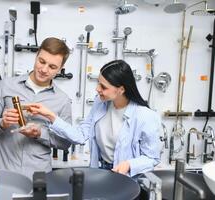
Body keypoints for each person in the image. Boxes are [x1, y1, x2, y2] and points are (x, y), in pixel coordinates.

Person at [26, 59, 162, 177]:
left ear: (121, 89)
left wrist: (129, 164)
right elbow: (80, 135)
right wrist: (50, 115)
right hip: (101, 170)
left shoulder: (145, 116)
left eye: (103, 86)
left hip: (129, 177)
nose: (97, 89)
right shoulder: (100, 103)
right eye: (98, 83)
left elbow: (152, 158)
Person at [0, 37, 72, 179]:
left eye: (52, 67)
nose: (44, 69)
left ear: (60, 69)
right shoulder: (6, 86)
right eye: (41, 61)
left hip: (39, 177)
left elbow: (65, 142)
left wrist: (39, 134)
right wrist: (2, 123)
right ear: (36, 56)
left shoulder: (63, 100)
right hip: (5, 173)